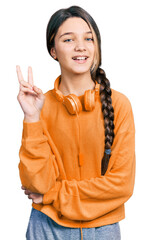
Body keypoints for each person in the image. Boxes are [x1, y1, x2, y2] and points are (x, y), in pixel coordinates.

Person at [16, 5, 136, 240]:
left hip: (103, 230)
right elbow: (36, 184)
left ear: (96, 46)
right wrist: (32, 118)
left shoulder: (119, 104)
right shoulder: (40, 105)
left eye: (88, 38)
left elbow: (121, 185)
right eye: (68, 39)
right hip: (46, 227)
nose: (81, 46)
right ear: (53, 50)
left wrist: (54, 194)